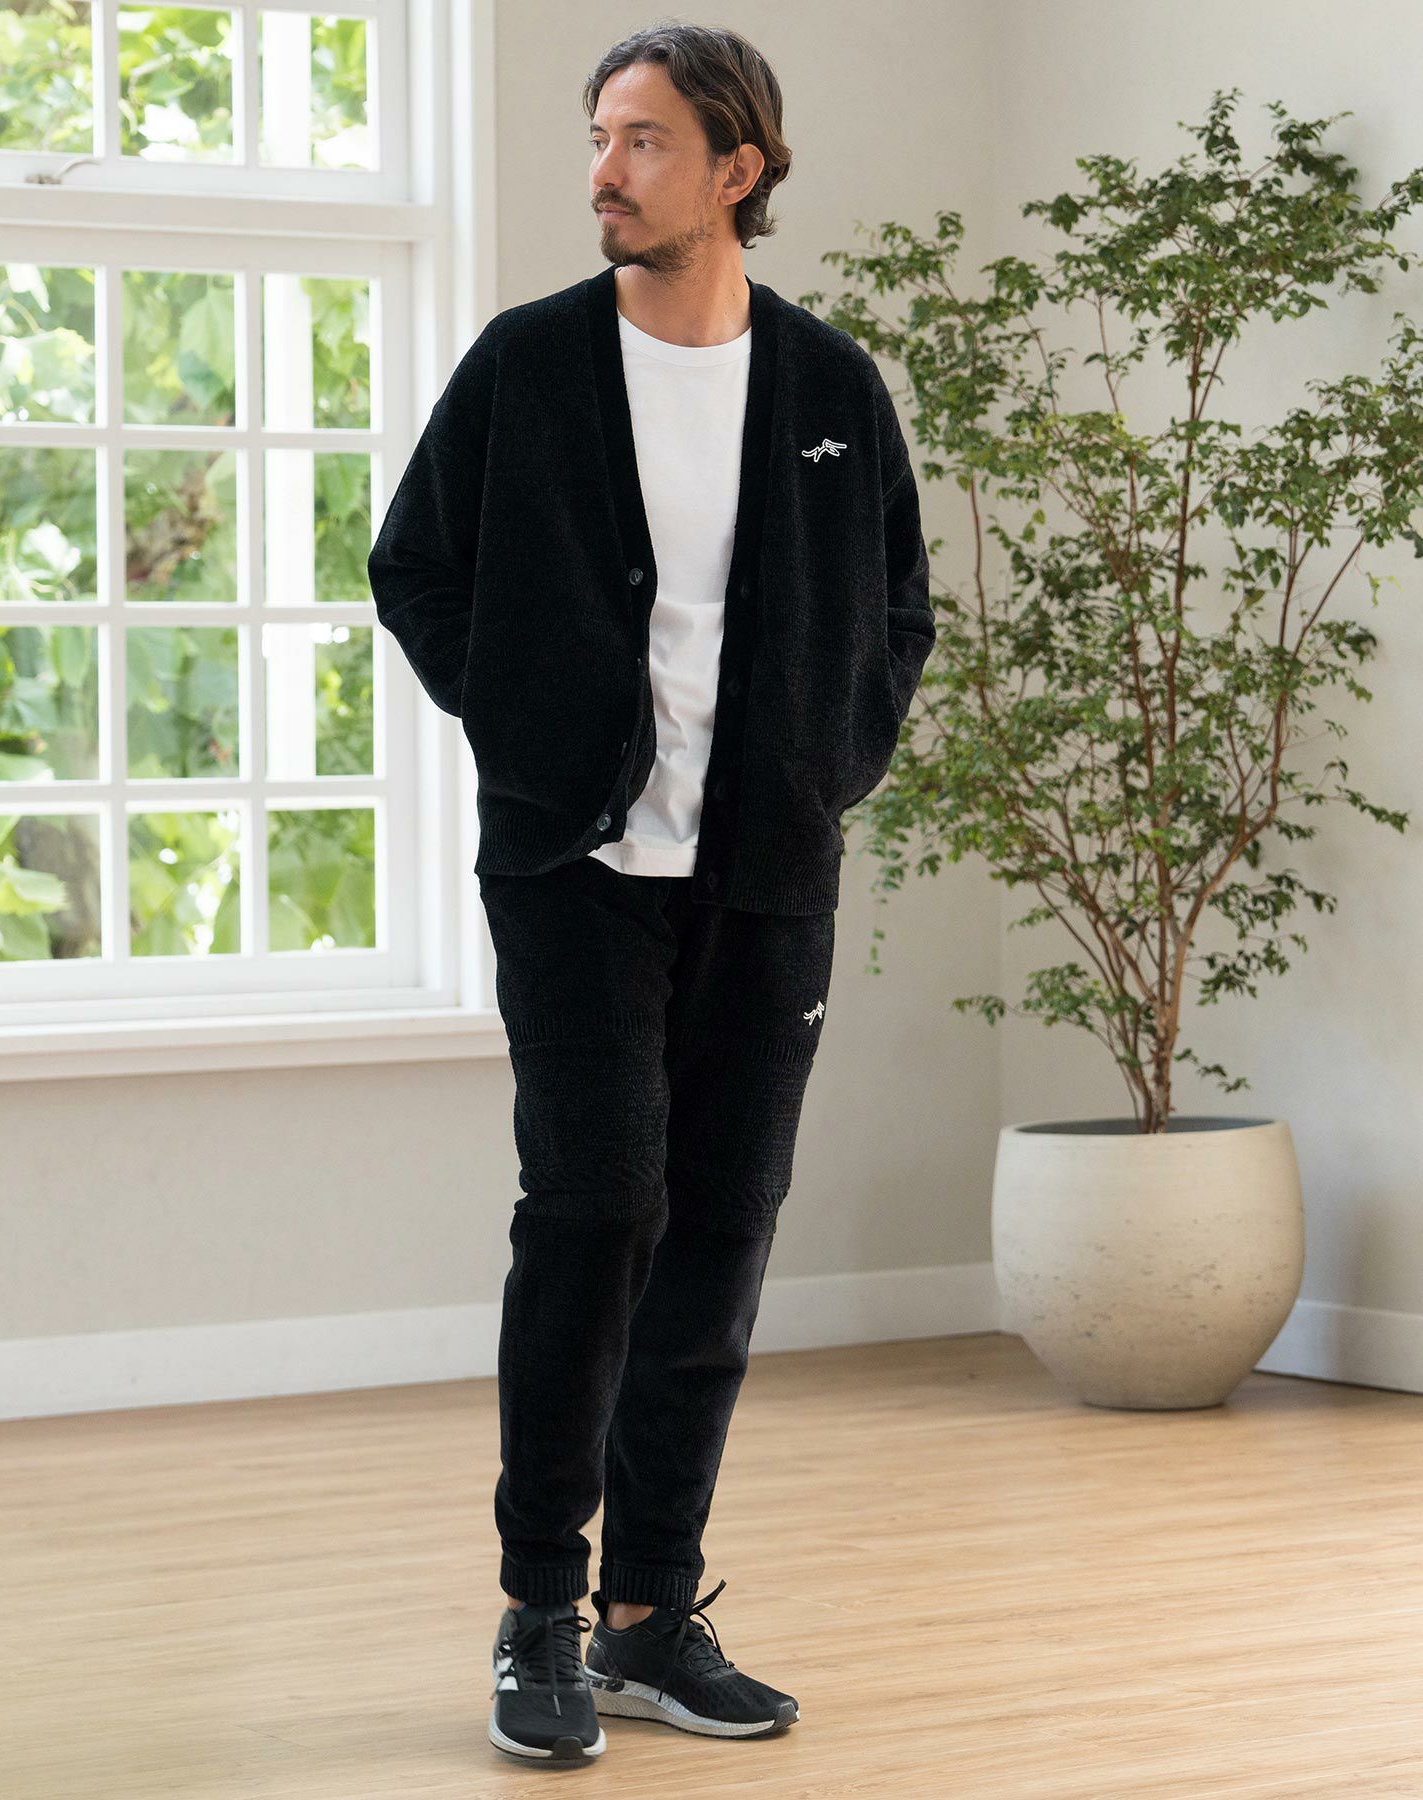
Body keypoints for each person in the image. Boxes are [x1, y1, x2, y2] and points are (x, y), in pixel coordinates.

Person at [367, 22, 933, 1768]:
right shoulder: (531, 364)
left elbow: (900, 613)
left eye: (644, 141)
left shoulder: (828, 386)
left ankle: (649, 1618)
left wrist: (824, 765)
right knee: (598, 1208)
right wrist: (530, 731)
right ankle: (541, 1605)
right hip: (576, 869)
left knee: (722, 1232)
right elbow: (415, 566)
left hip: (764, 878)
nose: (606, 170)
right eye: (600, 136)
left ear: (736, 170)